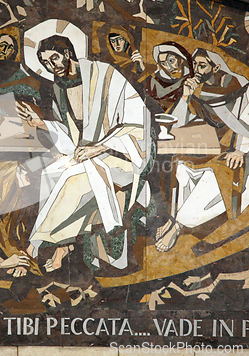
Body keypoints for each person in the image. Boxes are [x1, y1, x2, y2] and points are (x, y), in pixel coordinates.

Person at [20, 19, 154, 271]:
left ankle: (33, 246)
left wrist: (100, 147)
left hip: (121, 155)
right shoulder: (60, 90)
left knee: (72, 179)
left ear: (67, 53)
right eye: (46, 63)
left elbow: (139, 123)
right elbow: (70, 137)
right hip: (86, 157)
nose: (52, 66)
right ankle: (63, 247)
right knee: (51, 173)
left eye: (54, 59)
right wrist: (42, 124)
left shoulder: (104, 75)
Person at [155, 48, 249, 252]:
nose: (196, 70)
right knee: (180, 166)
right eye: (194, 65)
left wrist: (240, 150)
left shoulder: (238, 86)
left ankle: (177, 226)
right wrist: (186, 96)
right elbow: (178, 123)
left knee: (211, 177)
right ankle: (175, 218)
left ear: (216, 66)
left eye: (202, 65)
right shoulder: (197, 88)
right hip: (216, 147)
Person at [147, 42, 193, 112]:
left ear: (181, 59)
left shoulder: (190, 82)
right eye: (163, 63)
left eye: (171, 61)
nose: (169, 67)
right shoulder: (154, 82)